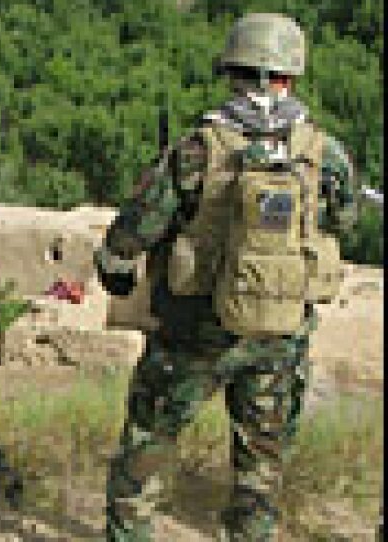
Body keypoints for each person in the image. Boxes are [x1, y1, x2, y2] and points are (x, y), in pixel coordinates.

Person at [96, 13, 357, 541]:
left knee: (148, 444)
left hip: (195, 333)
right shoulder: (323, 153)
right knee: (259, 467)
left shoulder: (197, 149)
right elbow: (345, 219)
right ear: (292, 74)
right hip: (280, 336)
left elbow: (136, 229)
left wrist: (115, 271)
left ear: (232, 68)